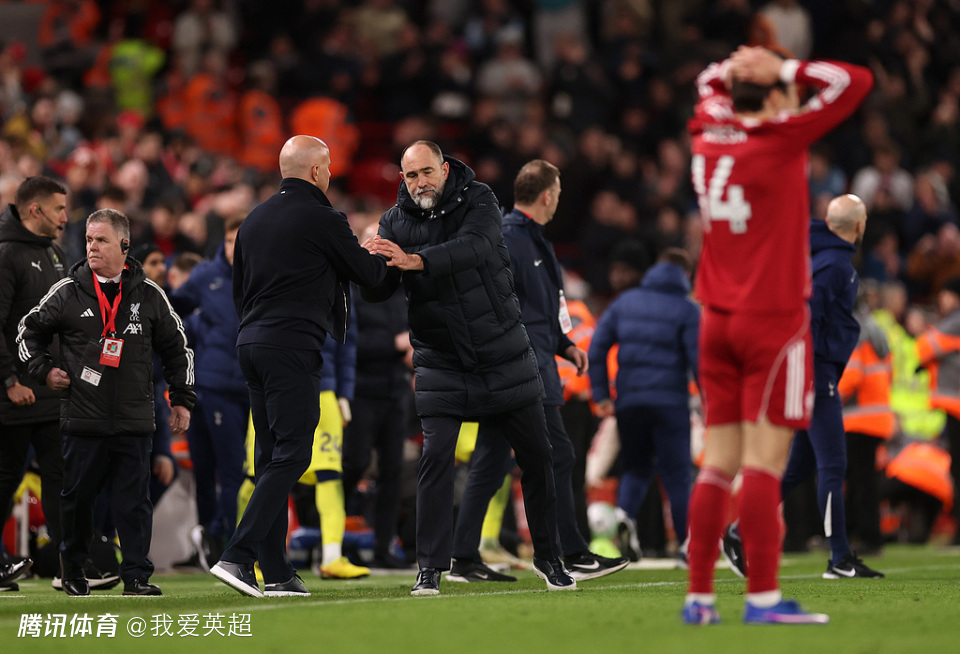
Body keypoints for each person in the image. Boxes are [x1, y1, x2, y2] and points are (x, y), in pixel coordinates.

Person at [683, 47, 872, 625]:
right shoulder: (781, 139)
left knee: (717, 463)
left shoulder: (706, 131)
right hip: (771, 321)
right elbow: (855, 81)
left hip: (715, 317)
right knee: (764, 465)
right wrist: (784, 68)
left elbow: (707, 80)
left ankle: (699, 599)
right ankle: (763, 599)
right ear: (772, 96)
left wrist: (739, 67)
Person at [362, 141, 575, 595]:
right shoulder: (393, 222)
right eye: (411, 175)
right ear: (402, 179)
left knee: (538, 457)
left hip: (503, 353)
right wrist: (369, 262)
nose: (420, 182)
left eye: (427, 172)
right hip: (441, 360)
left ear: (444, 169)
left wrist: (415, 260)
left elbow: (474, 248)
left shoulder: (479, 198)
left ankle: (548, 557)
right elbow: (380, 289)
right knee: (435, 460)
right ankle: (430, 569)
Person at [210, 136, 387, 598]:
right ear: (315, 171)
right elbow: (368, 275)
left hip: (251, 343)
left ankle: (276, 570)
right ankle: (238, 555)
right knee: (294, 453)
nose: (330, 173)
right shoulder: (324, 218)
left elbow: (239, 290)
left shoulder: (252, 220)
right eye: (327, 166)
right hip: (292, 346)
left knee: (270, 456)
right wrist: (380, 253)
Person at [449, 159, 629, 584]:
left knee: (491, 461)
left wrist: (565, 344)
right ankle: (571, 552)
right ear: (547, 195)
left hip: (531, 361)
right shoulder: (512, 239)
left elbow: (540, 307)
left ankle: (462, 556)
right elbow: (500, 307)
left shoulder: (531, 239)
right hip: (523, 369)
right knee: (558, 455)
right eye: (558, 194)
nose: (558, 201)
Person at [17, 208, 195, 597]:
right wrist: (44, 371)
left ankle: (136, 577)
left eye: (101, 240)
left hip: (134, 419)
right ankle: (74, 572)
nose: (92, 247)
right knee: (77, 501)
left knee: (134, 503)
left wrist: (182, 399)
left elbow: (178, 348)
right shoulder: (67, 291)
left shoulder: (149, 294)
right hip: (83, 419)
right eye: (88, 240)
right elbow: (28, 333)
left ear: (124, 245)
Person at [588, 248, 700, 563]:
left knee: (636, 468)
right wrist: (710, 401)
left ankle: (625, 517)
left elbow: (596, 349)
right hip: (670, 403)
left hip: (629, 402)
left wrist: (602, 395)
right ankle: (685, 545)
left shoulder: (624, 302)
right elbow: (700, 362)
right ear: (685, 275)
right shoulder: (687, 309)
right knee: (677, 475)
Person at [0, 176, 69, 590]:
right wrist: (9, 380)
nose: (65, 217)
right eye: (59, 209)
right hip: (14, 396)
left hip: (50, 391)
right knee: (6, 477)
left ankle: (69, 564)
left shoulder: (56, 254)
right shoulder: (6, 254)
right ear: (34, 209)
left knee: (61, 478)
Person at [171, 215, 249, 571]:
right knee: (221, 471)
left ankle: (224, 541)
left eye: (240, 240)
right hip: (215, 387)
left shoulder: (263, 272)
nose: (234, 248)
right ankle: (224, 546)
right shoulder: (206, 275)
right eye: (230, 241)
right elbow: (173, 311)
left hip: (252, 386)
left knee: (238, 471)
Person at [916, 276, 960, 546]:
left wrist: (928, 329)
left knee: (959, 469)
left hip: (956, 405)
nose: (941, 300)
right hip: (954, 406)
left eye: (945, 294)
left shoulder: (955, 320)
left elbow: (924, 346)